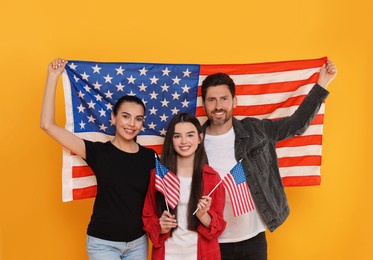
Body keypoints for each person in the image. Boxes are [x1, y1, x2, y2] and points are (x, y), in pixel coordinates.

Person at [200, 60, 337, 260]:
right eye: (211, 100)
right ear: (204, 103)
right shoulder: (193, 141)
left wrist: (322, 83)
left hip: (253, 240)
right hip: (213, 240)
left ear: (234, 101)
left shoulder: (256, 130)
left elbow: (297, 124)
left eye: (224, 99)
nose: (218, 106)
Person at [40, 58, 156, 260]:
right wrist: (52, 77)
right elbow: (47, 125)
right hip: (103, 244)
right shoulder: (98, 152)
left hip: (138, 243)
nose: (131, 124)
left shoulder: (149, 157)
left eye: (138, 119)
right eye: (126, 116)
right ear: (114, 117)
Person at [142, 113, 226, 260]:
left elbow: (218, 227)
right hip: (168, 253)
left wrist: (203, 216)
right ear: (171, 141)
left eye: (190, 135)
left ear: (200, 138)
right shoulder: (158, 175)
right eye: (177, 136)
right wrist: (161, 227)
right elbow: (148, 217)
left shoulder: (212, 177)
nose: (184, 141)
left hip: (203, 253)